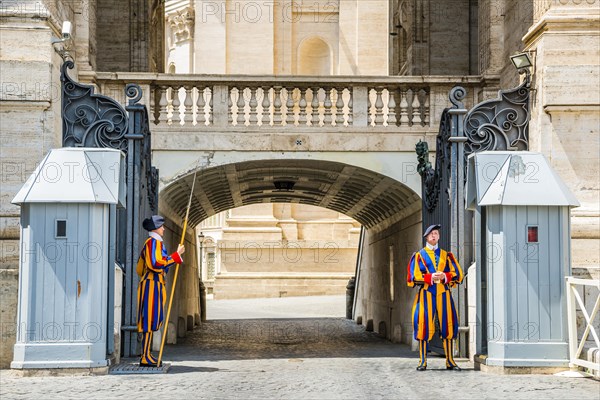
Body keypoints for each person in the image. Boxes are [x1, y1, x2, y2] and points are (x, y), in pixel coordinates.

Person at [406, 224, 464, 371]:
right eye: (431, 233)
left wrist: (445, 276)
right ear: (426, 237)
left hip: (444, 294)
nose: (434, 236)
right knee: (423, 326)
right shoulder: (419, 255)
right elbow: (413, 277)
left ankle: (450, 361)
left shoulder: (446, 255)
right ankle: (423, 361)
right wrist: (430, 277)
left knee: (448, 326)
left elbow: (458, 274)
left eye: (436, 233)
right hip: (426, 294)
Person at [136, 215, 185, 367]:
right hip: (151, 285)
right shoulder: (152, 243)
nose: (164, 228)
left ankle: (147, 354)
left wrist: (173, 258)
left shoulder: (156, 243)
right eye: (162, 226)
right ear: (156, 228)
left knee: (153, 320)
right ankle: (145, 356)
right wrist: (176, 256)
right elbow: (156, 264)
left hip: (155, 285)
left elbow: (161, 264)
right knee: (148, 321)